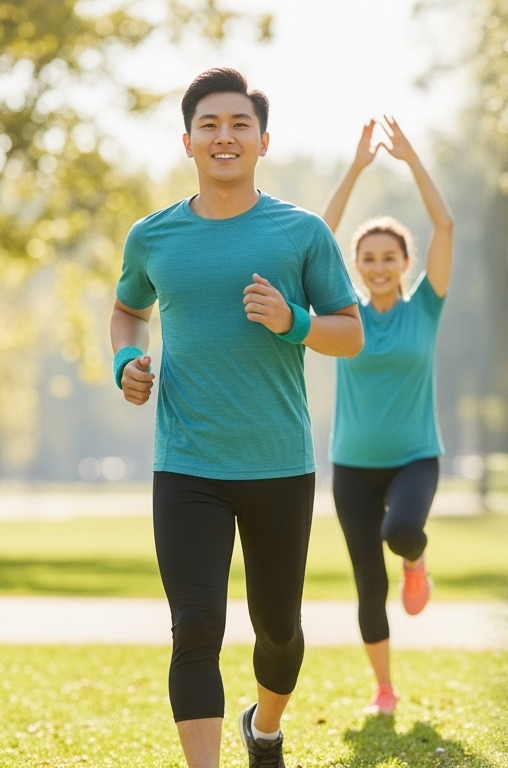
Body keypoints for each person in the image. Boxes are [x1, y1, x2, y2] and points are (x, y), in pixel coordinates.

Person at [111, 68, 362, 768]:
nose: (225, 137)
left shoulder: (301, 233)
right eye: (211, 125)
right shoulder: (152, 237)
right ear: (187, 140)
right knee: (194, 628)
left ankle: (267, 728)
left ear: (263, 140)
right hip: (186, 463)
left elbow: (350, 332)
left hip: (279, 463)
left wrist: (293, 321)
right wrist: (123, 364)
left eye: (239, 125)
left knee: (278, 630)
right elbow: (128, 310)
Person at [321, 117, 454, 716]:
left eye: (388, 257)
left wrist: (411, 160)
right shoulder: (344, 311)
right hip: (351, 466)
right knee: (368, 585)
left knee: (401, 533)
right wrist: (354, 169)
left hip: (414, 459)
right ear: (357, 264)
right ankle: (383, 688)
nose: (377, 266)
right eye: (367, 258)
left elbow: (445, 224)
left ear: (405, 261)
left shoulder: (424, 307)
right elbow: (319, 235)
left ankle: (417, 561)